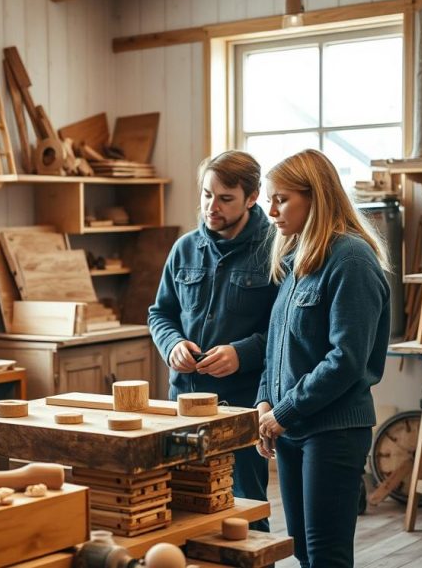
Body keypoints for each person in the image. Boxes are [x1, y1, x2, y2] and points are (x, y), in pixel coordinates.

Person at [256, 149, 390, 568]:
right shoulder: (298, 260)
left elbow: (346, 360)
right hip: (293, 427)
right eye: (269, 198)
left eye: (282, 198)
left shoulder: (351, 258)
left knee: (327, 556)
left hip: (332, 432)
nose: (271, 209)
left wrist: (284, 411)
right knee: (303, 552)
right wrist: (264, 405)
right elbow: (275, 347)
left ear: (316, 197)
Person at [148, 150, 277, 531]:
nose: (211, 207)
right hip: (183, 406)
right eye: (206, 195)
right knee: (183, 507)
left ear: (252, 198)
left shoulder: (276, 250)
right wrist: (171, 343)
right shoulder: (184, 248)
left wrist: (243, 353)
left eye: (225, 199)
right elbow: (160, 313)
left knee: (245, 511)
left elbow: (288, 331)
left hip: (243, 407)